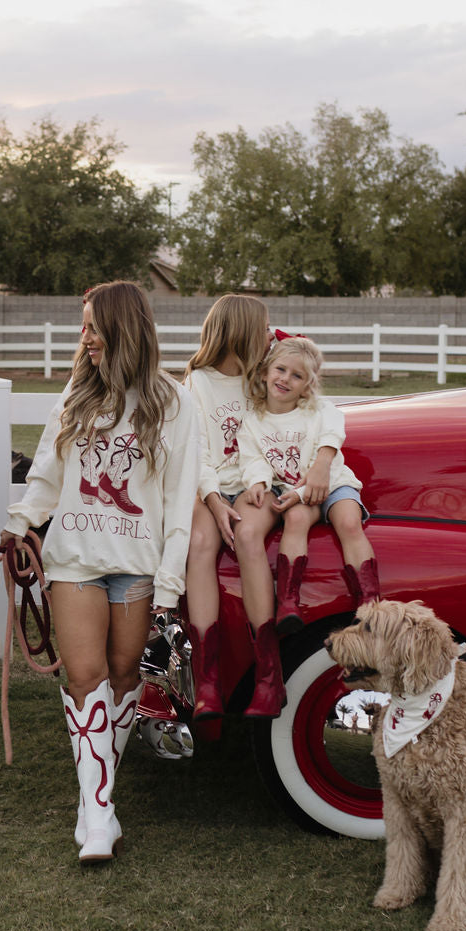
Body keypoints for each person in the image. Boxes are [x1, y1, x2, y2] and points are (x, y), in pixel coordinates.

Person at [0, 281, 201, 865]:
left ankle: (97, 803)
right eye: (83, 327)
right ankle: (99, 817)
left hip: (137, 565)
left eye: (93, 326)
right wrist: (22, 524)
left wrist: (168, 585)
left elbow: (180, 498)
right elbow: (47, 469)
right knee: (85, 678)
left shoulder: (173, 403)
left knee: (122, 679)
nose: (84, 339)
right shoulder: (77, 395)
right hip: (75, 560)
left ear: (123, 328)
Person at [237, 333, 381, 659]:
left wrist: (321, 465)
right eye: (280, 370)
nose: (286, 379)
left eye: (297, 375)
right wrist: (258, 482)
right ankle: (289, 601)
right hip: (296, 493)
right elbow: (253, 459)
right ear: (264, 372)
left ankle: (369, 601)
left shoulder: (319, 409)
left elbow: (333, 434)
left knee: (348, 520)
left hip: (334, 483)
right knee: (296, 518)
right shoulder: (253, 422)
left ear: (308, 384)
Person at [181, 293, 273, 720]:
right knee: (200, 541)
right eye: (262, 327)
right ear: (240, 333)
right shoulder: (198, 382)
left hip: (255, 482)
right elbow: (195, 452)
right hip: (209, 484)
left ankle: (268, 674)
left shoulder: (264, 378)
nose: (268, 333)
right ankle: (209, 681)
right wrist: (215, 502)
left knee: (249, 540)